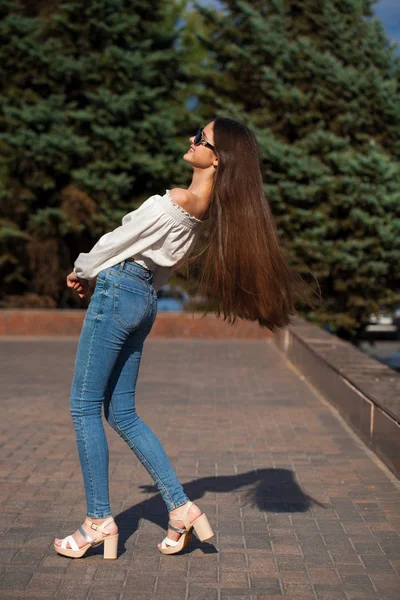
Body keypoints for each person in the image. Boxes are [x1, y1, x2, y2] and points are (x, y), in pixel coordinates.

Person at [54, 117, 317, 560]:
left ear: (215, 157)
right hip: (145, 300)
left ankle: (98, 520)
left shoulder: (174, 200)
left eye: (200, 137)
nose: (191, 138)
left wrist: (82, 270)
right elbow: (153, 264)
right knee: (121, 413)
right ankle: (181, 507)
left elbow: (118, 240)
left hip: (119, 291)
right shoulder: (202, 215)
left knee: (84, 407)